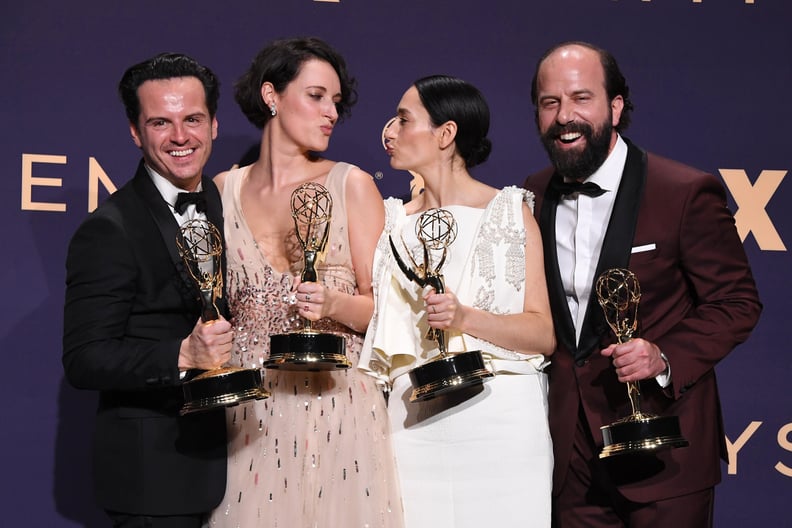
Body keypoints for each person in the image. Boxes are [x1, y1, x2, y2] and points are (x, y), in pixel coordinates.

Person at [522, 41, 762, 527]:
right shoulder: (532, 195)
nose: (564, 116)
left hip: (665, 450)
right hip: (570, 460)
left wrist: (664, 355)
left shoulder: (684, 192)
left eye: (580, 98)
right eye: (550, 103)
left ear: (615, 107)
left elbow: (737, 302)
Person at [206, 37, 403, 527]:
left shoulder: (351, 184)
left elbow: (387, 311)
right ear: (271, 95)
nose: (330, 112)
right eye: (316, 96)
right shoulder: (222, 191)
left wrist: (333, 302)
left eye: (336, 102)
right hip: (249, 415)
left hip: (335, 407)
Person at [360, 75, 556, 528]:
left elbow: (542, 334)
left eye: (405, 120)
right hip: (411, 420)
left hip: (501, 419)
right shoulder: (389, 221)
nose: (389, 131)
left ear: (445, 134)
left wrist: (466, 317)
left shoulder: (510, 212)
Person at [63, 53, 232, 527]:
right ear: (136, 132)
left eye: (193, 119)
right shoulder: (109, 229)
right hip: (154, 480)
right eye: (161, 122)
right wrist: (180, 354)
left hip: (237, 467)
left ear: (214, 125)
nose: (181, 137)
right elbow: (84, 358)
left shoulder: (225, 203)